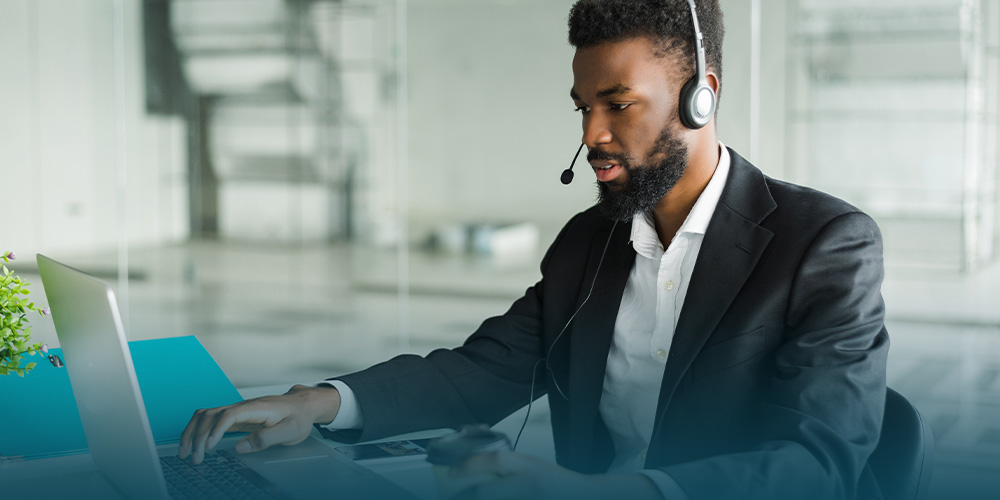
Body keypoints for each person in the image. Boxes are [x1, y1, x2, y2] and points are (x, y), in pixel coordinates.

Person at [179, 1, 889, 499]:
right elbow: (482, 373)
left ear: (701, 97)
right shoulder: (590, 241)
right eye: (583, 107)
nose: (592, 136)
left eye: (618, 103)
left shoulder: (823, 245)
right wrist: (318, 402)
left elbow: (816, 466)